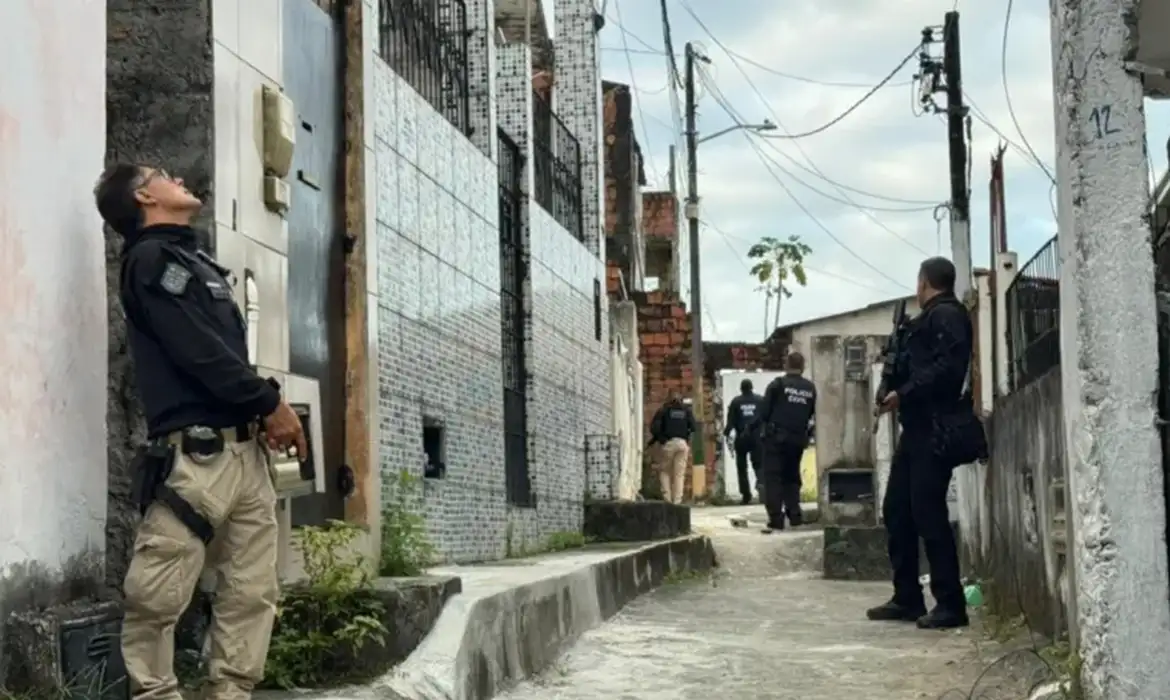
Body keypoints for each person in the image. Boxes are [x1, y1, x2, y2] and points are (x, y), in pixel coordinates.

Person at [94, 163, 308, 700]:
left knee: (252, 592)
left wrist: (260, 411)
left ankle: (231, 693)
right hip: (196, 459)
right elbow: (197, 351)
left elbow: (220, 357)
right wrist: (270, 403)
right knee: (157, 593)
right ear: (144, 197)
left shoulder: (195, 261)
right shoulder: (150, 261)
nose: (176, 177)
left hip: (245, 454)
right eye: (160, 174)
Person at [866, 256, 972, 630]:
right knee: (897, 509)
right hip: (915, 430)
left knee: (928, 513)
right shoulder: (924, 321)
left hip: (934, 428)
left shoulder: (947, 316)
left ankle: (950, 604)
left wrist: (904, 392)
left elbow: (948, 370)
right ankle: (907, 597)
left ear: (924, 282)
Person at [756, 352, 816, 533]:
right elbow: (810, 413)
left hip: (776, 439)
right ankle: (795, 515)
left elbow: (764, 412)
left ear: (786, 365)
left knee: (773, 478)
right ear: (803, 366)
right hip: (797, 440)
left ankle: (776, 519)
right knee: (792, 477)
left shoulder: (777, 385)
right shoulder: (810, 388)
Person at [649, 391, 696, 504]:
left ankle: (667, 499)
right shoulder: (686, 411)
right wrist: (687, 438)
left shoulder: (664, 410)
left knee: (665, 471)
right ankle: (677, 501)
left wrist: (661, 439)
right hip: (682, 444)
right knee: (679, 474)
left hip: (669, 443)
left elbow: (654, 428)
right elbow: (693, 427)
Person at [723, 379, 763, 505]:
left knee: (742, 467)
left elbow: (731, 422)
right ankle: (763, 489)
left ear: (741, 389)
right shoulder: (760, 400)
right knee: (759, 465)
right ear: (752, 387)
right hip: (757, 438)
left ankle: (746, 495)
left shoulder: (736, 402)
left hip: (741, 438)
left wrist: (726, 433)